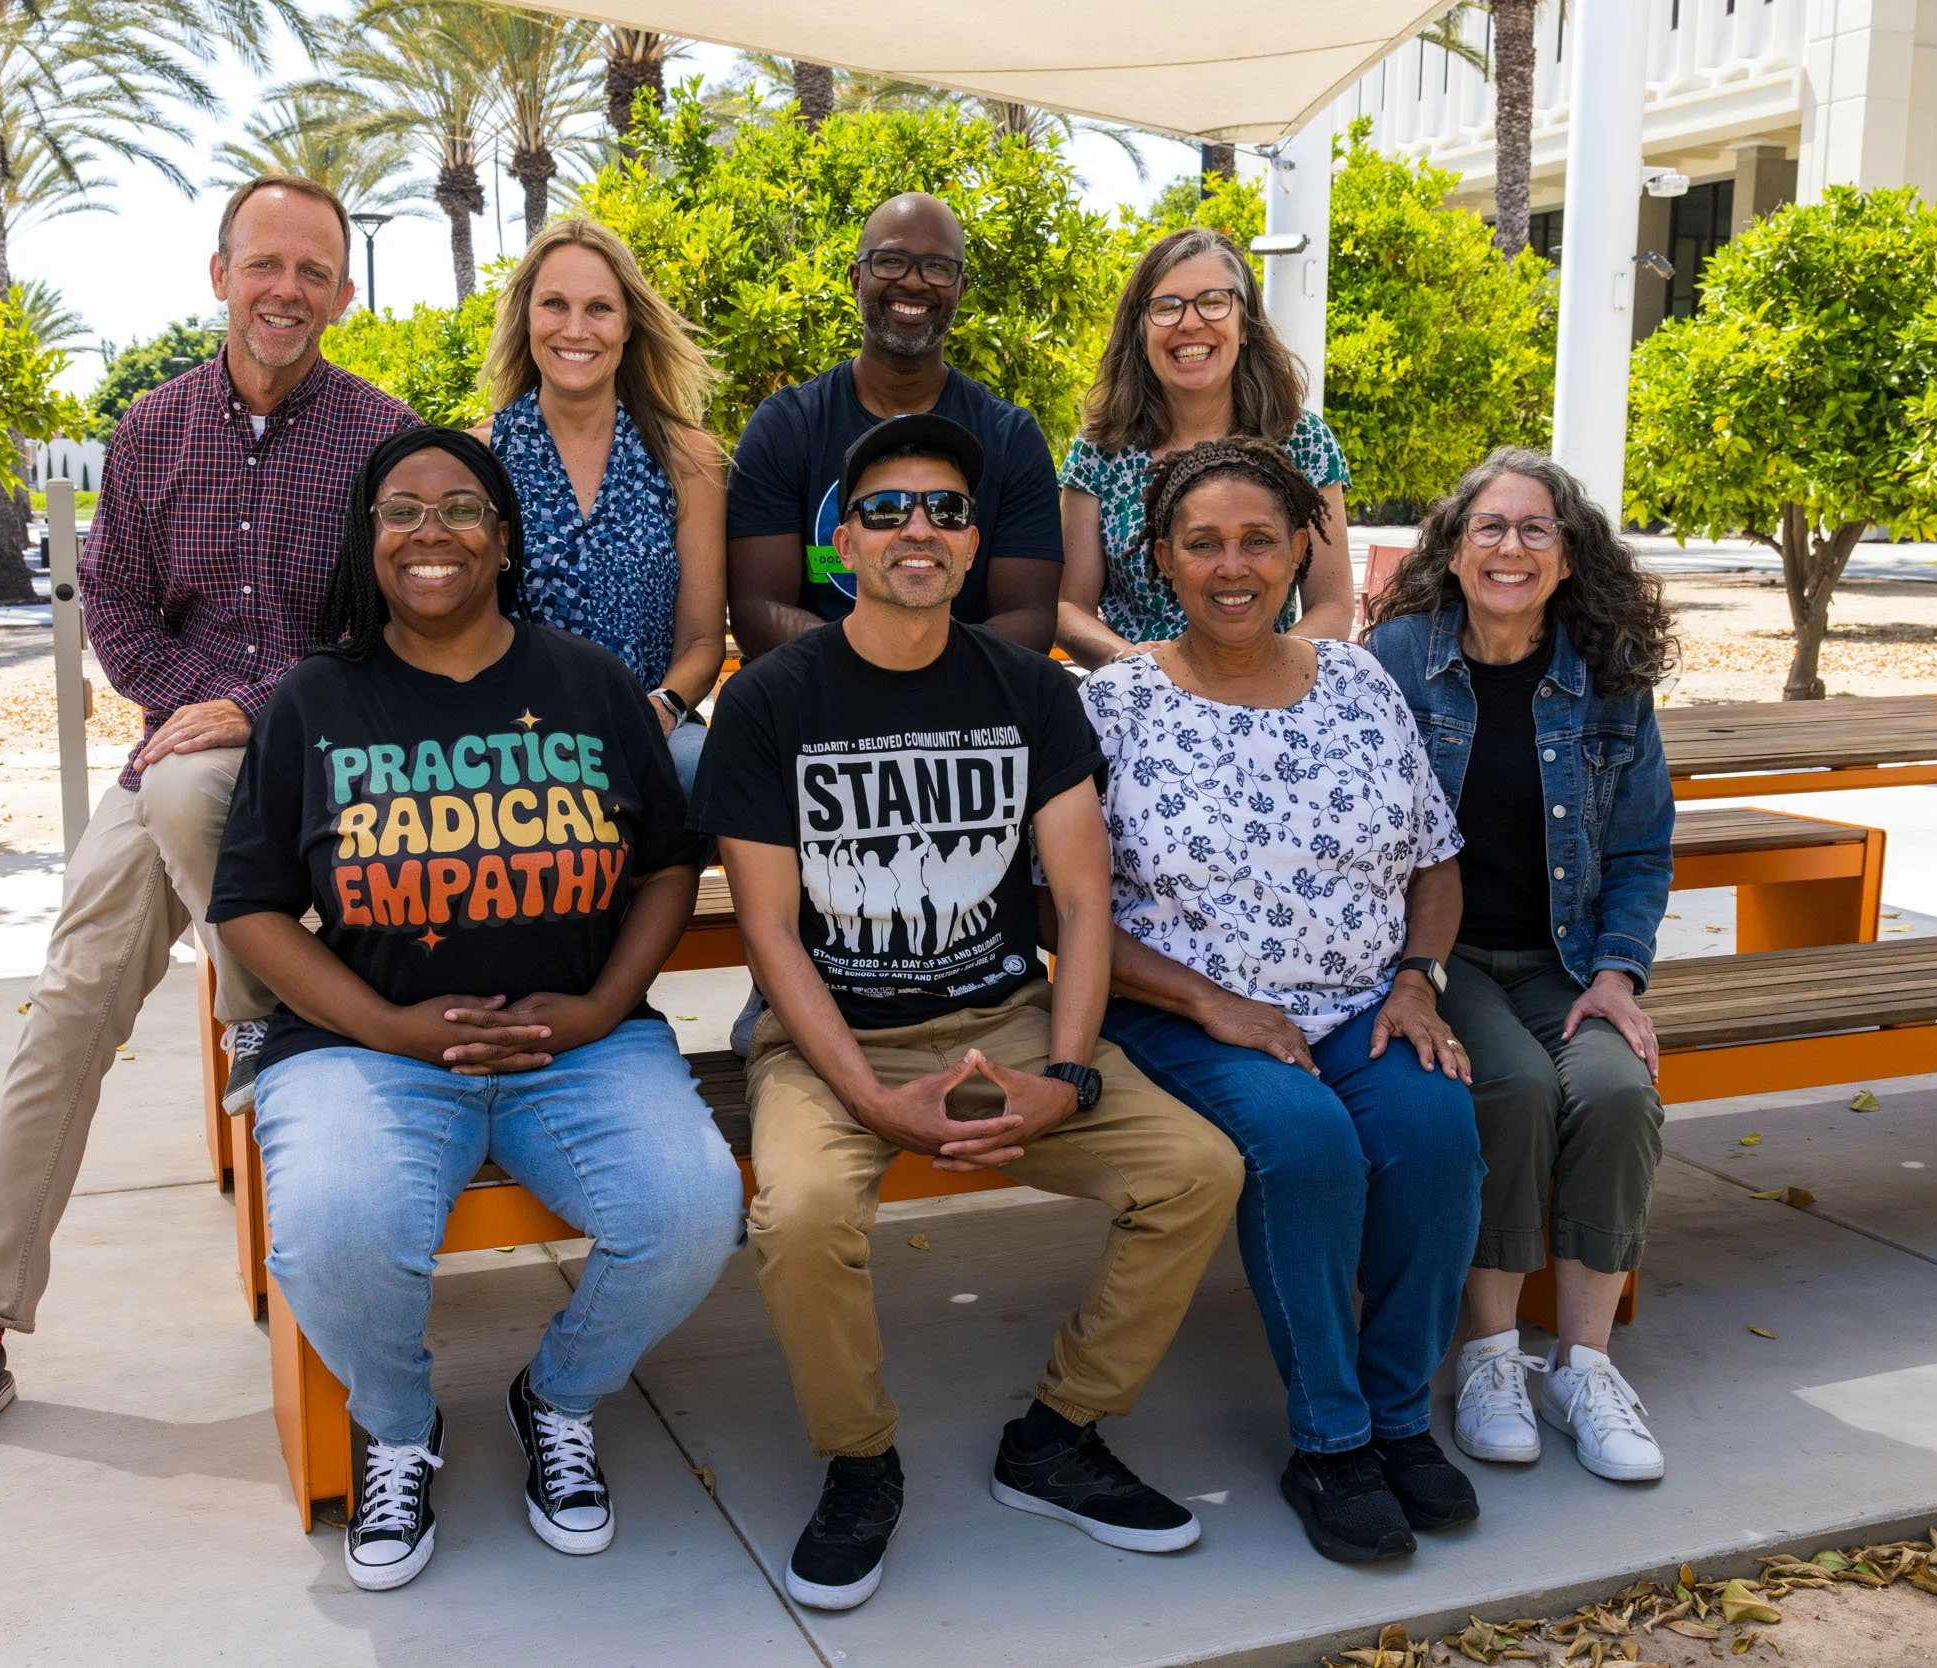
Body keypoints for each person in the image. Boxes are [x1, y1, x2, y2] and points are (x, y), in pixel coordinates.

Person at [0, 176, 417, 1475]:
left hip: (332, 759)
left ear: (342, 294)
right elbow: (114, 608)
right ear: (220, 274)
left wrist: (257, 708)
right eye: (265, 265)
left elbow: (394, 624)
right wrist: (200, 708)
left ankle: (261, 1012)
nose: (286, 289)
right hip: (175, 755)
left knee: (191, 785)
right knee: (68, 1007)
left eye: (313, 270)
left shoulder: (383, 437)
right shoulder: (153, 428)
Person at [689, 414, 1242, 1613]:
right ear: (844, 544)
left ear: (975, 541)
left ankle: (1058, 1435)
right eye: (886, 511)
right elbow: (770, 932)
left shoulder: (1029, 694)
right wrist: (869, 1096)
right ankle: (859, 1459)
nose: (917, 530)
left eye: (941, 508)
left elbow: (1083, 904)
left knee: (1195, 1171)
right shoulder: (772, 701)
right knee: (803, 1213)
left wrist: (1068, 1073)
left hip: (1005, 1021)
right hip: (831, 1037)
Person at [207, 427, 743, 1590]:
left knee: (695, 1207)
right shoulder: (314, 702)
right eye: (400, 509)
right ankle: (400, 1425)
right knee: (334, 1234)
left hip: (577, 1050)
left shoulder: (590, 684)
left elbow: (663, 863)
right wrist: (391, 1029)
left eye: (460, 509)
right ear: (368, 542)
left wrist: (606, 1004)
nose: (430, 531)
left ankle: (557, 1397)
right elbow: (248, 909)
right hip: (369, 1051)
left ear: (503, 543)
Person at [1082, 437, 1486, 1566]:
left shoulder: (1358, 682)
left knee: (1436, 1127)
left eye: (1259, 540)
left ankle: (1401, 1415)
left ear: (1303, 548)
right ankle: (1333, 1440)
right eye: (1203, 543)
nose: (1233, 566)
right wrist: (1209, 1003)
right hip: (1182, 1010)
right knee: (1306, 1146)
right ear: (1161, 559)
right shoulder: (1113, 706)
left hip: (1361, 999)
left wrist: (1416, 980)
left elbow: (1434, 861)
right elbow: (1060, 911)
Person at [1364, 447, 1676, 1486]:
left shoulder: (1606, 676)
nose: (1510, 546)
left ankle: (1582, 1365)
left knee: (1617, 1092)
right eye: (1488, 528)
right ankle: (1490, 1357)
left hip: (1565, 959)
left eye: (1535, 528)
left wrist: (1618, 977)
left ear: (1567, 556)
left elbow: (1638, 849)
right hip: (1437, 958)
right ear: (1451, 553)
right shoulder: (1398, 659)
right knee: (1507, 1085)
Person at [724, 192, 1063, 660]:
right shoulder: (787, 426)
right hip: (813, 702)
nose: (914, 282)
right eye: (890, 261)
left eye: (938, 267)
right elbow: (758, 608)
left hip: (965, 709)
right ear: (856, 277)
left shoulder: (1011, 438)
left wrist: (923, 678)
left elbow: (1030, 616)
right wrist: (874, 675)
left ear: (961, 289)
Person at [472, 218, 727, 794]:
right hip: (509, 736)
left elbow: (702, 643)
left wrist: (658, 710)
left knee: (709, 769)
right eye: (555, 304)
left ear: (629, 323)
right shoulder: (477, 458)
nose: (575, 329)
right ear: (528, 317)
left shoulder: (688, 458)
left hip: (651, 725)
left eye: (600, 309)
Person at [1056, 227, 1356, 666]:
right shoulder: (1099, 452)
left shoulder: (1302, 441)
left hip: (1266, 699)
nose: (1190, 322)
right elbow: (1068, 608)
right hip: (1141, 699)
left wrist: (1263, 668)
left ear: (1245, 324)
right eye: (1166, 307)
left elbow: (1332, 605)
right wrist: (1130, 661)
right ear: (1140, 331)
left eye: (1213, 302)